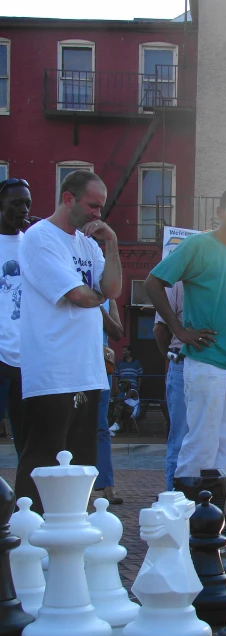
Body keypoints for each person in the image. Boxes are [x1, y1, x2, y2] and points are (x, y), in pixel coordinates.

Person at [15, 170, 122, 514]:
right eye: (92, 205)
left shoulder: (89, 244)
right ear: (68, 198)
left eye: (101, 207)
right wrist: (97, 294)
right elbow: (81, 296)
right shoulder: (38, 237)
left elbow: (112, 291)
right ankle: (28, 541)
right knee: (43, 464)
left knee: (79, 468)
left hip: (88, 371)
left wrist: (112, 243)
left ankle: (69, 540)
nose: (97, 214)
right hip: (52, 371)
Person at [144, 187, 226, 495]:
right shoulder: (197, 245)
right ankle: (188, 524)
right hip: (205, 360)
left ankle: (213, 524)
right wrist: (179, 331)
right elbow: (152, 283)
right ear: (219, 212)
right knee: (200, 443)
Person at [0, 178, 33, 457]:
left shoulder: (32, 246)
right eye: (16, 203)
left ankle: (26, 499)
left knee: (27, 441)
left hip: (28, 358)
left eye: (27, 204)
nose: (24, 209)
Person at [153, 281, 189, 491]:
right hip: (182, 363)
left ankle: (207, 504)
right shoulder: (177, 283)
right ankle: (175, 498)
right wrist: (172, 356)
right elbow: (159, 329)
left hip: (217, 367)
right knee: (181, 438)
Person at [94, 298, 124, 505]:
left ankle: (107, 485)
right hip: (69, 363)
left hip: (100, 365)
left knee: (100, 427)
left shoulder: (107, 298)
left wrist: (97, 308)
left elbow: (117, 333)